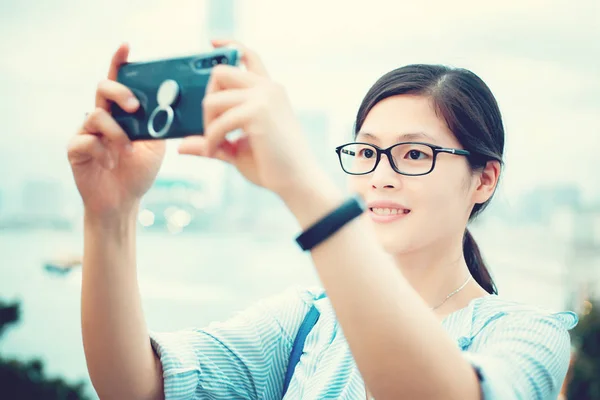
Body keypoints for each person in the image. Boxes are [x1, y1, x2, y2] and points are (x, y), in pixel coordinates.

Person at [68, 39, 578, 400]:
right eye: (367, 152)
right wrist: (109, 214)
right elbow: (137, 385)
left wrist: (300, 184)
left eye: (415, 155)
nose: (380, 176)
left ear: (484, 179)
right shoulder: (305, 323)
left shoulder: (527, 335)